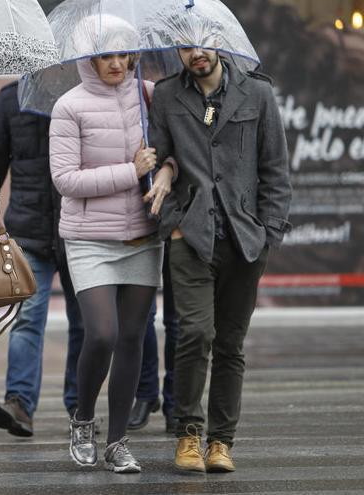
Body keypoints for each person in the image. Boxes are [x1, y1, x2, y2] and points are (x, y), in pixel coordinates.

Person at [148, 44, 292, 473]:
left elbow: (276, 169)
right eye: (186, 47)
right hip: (190, 236)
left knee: (230, 344)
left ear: (219, 43)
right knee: (194, 333)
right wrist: (171, 223)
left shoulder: (258, 94)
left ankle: (221, 441)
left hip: (245, 239)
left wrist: (266, 233)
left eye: (202, 44)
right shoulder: (168, 95)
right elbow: (157, 161)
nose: (196, 54)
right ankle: (189, 433)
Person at [49, 15, 175, 474]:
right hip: (89, 238)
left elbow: (177, 150)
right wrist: (130, 168)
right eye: (107, 55)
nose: (118, 63)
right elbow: (65, 180)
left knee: (133, 337)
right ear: (89, 57)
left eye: (125, 54)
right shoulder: (69, 106)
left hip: (143, 233)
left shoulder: (150, 96)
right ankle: (83, 419)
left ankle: (118, 440)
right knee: (101, 333)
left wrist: (165, 169)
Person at [0, 81, 86, 437]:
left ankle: (80, 407)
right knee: (27, 319)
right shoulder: (11, 98)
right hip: (28, 230)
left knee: (86, 325)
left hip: (81, 230)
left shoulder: (86, 95)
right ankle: (19, 404)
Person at [128, 249, 179, 433]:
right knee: (141, 317)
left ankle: (175, 400)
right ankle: (146, 393)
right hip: (142, 233)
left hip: (181, 231)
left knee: (178, 323)